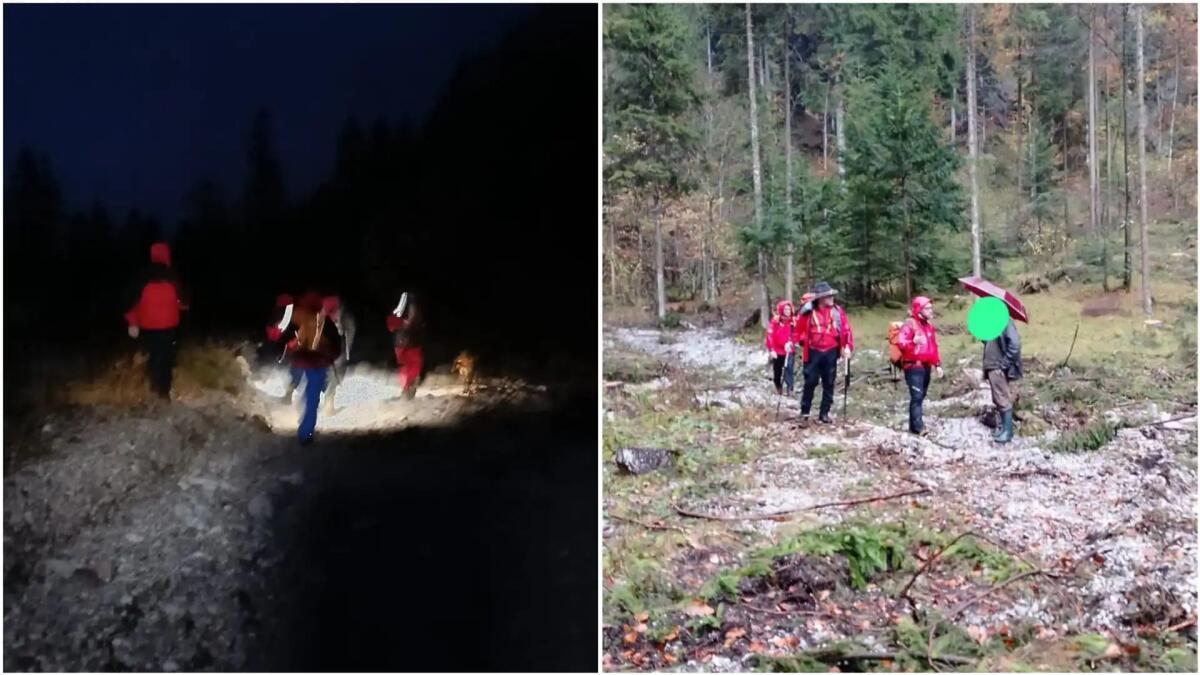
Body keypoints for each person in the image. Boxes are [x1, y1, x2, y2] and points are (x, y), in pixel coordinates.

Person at [266, 291, 341, 445]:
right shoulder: (326, 321)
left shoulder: (296, 316)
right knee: (312, 397)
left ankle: (299, 406)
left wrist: (288, 350)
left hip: (301, 360)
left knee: (301, 385)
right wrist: (329, 355)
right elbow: (336, 345)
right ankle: (306, 431)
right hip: (319, 363)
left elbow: (282, 336)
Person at [124, 242, 188, 400]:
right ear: (167, 255)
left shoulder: (142, 276)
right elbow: (185, 302)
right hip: (169, 326)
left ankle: (151, 391)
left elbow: (131, 301)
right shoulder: (173, 276)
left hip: (148, 326)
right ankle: (163, 394)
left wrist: (132, 323)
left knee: (153, 357)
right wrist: (178, 305)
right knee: (166, 360)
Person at [795, 282, 854, 426]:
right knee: (810, 382)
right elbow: (797, 331)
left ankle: (824, 414)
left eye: (831, 295)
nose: (832, 297)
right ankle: (805, 413)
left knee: (829, 382)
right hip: (813, 352)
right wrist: (802, 341)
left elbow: (846, 330)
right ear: (821, 298)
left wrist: (847, 346)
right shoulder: (807, 312)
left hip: (831, 352)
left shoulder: (837, 312)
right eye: (829, 296)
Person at [895, 296, 943, 436]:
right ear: (919, 310)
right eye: (927, 308)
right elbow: (901, 343)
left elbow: (933, 347)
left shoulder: (929, 327)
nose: (930, 311)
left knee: (920, 396)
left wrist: (937, 364)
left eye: (931, 308)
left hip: (926, 366)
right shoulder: (909, 325)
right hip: (913, 367)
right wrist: (913, 341)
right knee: (916, 396)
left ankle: (913, 426)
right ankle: (919, 427)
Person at [982, 317, 1022, 444]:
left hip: (997, 367)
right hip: (992, 366)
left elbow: (1015, 345)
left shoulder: (1005, 321)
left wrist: (1003, 365)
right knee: (997, 398)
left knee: (1002, 398)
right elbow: (990, 342)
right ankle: (1003, 428)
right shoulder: (994, 322)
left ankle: (1007, 432)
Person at [321, 295, 356, 414]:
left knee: (335, 372)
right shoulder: (330, 308)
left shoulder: (344, 316)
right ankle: (328, 402)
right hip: (330, 345)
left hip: (334, 344)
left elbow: (348, 335)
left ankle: (327, 401)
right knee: (334, 372)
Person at [386, 291, 423, 399]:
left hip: (410, 342)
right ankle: (407, 389)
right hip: (406, 342)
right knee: (408, 366)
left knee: (410, 366)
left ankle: (408, 389)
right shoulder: (403, 300)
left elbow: (395, 322)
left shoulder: (409, 301)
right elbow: (394, 322)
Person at [764, 300, 796, 396]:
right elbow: (770, 335)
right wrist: (772, 349)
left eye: (789, 309)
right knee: (777, 371)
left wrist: (791, 342)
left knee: (789, 368)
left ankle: (790, 389)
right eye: (786, 309)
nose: (787, 311)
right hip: (778, 351)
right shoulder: (776, 321)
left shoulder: (793, 321)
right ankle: (778, 386)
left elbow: (797, 334)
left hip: (789, 349)